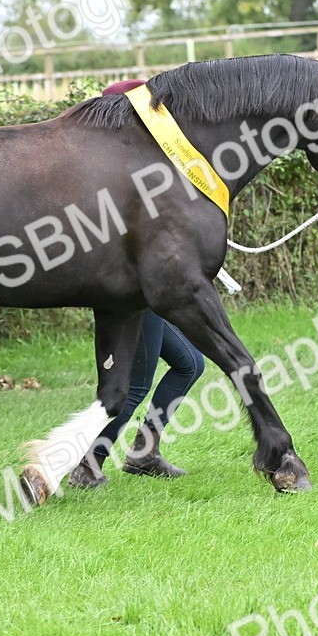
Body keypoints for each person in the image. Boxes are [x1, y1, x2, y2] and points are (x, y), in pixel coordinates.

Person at [67, 78, 207, 488]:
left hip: (147, 291)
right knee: (136, 382)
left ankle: (144, 452)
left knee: (189, 363)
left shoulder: (137, 166)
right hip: (136, 293)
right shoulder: (118, 171)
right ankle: (89, 463)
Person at [68, 311, 206, 487]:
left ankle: (146, 453)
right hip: (139, 297)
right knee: (135, 387)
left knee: (190, 364)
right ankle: (88, 467)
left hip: (150, 299)